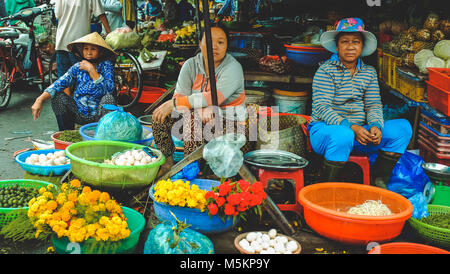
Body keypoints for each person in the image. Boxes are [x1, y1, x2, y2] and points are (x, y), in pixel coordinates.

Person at [309, 17, 412, 188]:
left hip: (360, 134)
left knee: (403, 128)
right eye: (345, 42)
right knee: (343, 135)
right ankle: (325, 189)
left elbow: (373, 104)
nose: (350, 46)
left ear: (362, 46)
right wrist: (350, 127)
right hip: (326, 132)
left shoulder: (369, 73)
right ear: (337, 46)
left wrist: (376, 126)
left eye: (355, 42)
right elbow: (322, 107)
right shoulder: (325, 71)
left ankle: (378, 182)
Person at [152, 23, 250, 163]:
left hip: (231, 124)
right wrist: (201, 108)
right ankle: (166, 163)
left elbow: (213, 97)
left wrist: (176, 104)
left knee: (192, 120)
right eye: (209, 42)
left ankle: (191, 167)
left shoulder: (233, 68)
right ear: (200, 43)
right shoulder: (190, 65)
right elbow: (180, 96)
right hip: (197, 119)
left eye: (220, 42)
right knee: (159, 116)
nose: (214, 46)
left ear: (227, 45)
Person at [31, 32, 116, 131]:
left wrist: (91, 70)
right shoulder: (78, 67)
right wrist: (39, 100)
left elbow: (109, 90)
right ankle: (66, 134)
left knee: (109, 99)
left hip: (99, 115)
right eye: (86, 49)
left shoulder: (106, 65)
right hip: (79, 113)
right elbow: (59, 83)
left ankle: (105, 135)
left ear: (101, 51)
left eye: (93, 49)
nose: (89, 52)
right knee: (58, 97)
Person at [54, 0, 111, 81]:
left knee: (63, 80)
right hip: (79, 43)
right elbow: (100, 14)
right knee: (81, 79)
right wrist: (109, 33)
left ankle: (64, 94)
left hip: (62, 40)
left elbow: (58, 14)